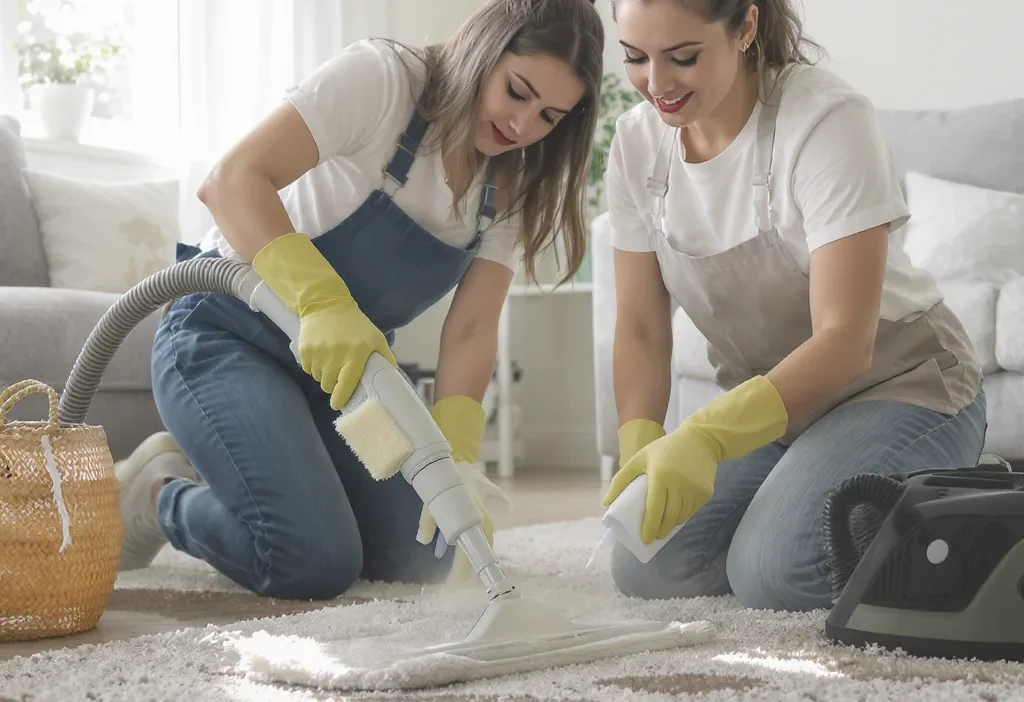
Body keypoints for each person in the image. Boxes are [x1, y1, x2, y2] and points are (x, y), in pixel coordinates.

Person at [113, 0, 604, 600]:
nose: (523, 127)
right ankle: (159, 495)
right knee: (311, 559)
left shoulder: (514, 179)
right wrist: (321, 304)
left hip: (345, 378)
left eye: (551, 116)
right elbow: (232, 180)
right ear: (485, 49)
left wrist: (457, 462)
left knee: (425, 553)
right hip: (222, 335)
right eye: (517, 92)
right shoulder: (385, 82)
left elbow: (473, 327)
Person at [601, 0, 986, 612]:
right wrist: (641, 449)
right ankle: (824, 485)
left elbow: (844, 341)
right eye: (635, 58)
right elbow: (644, 329)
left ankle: (953, 485)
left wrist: (704, 436)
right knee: (648, 566)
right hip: (773, 409)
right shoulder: (636, 145)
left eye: (683, 57)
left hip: (900, 384)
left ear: (745, 26)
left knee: (774, 572)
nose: (657, 83)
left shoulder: (825, 120)